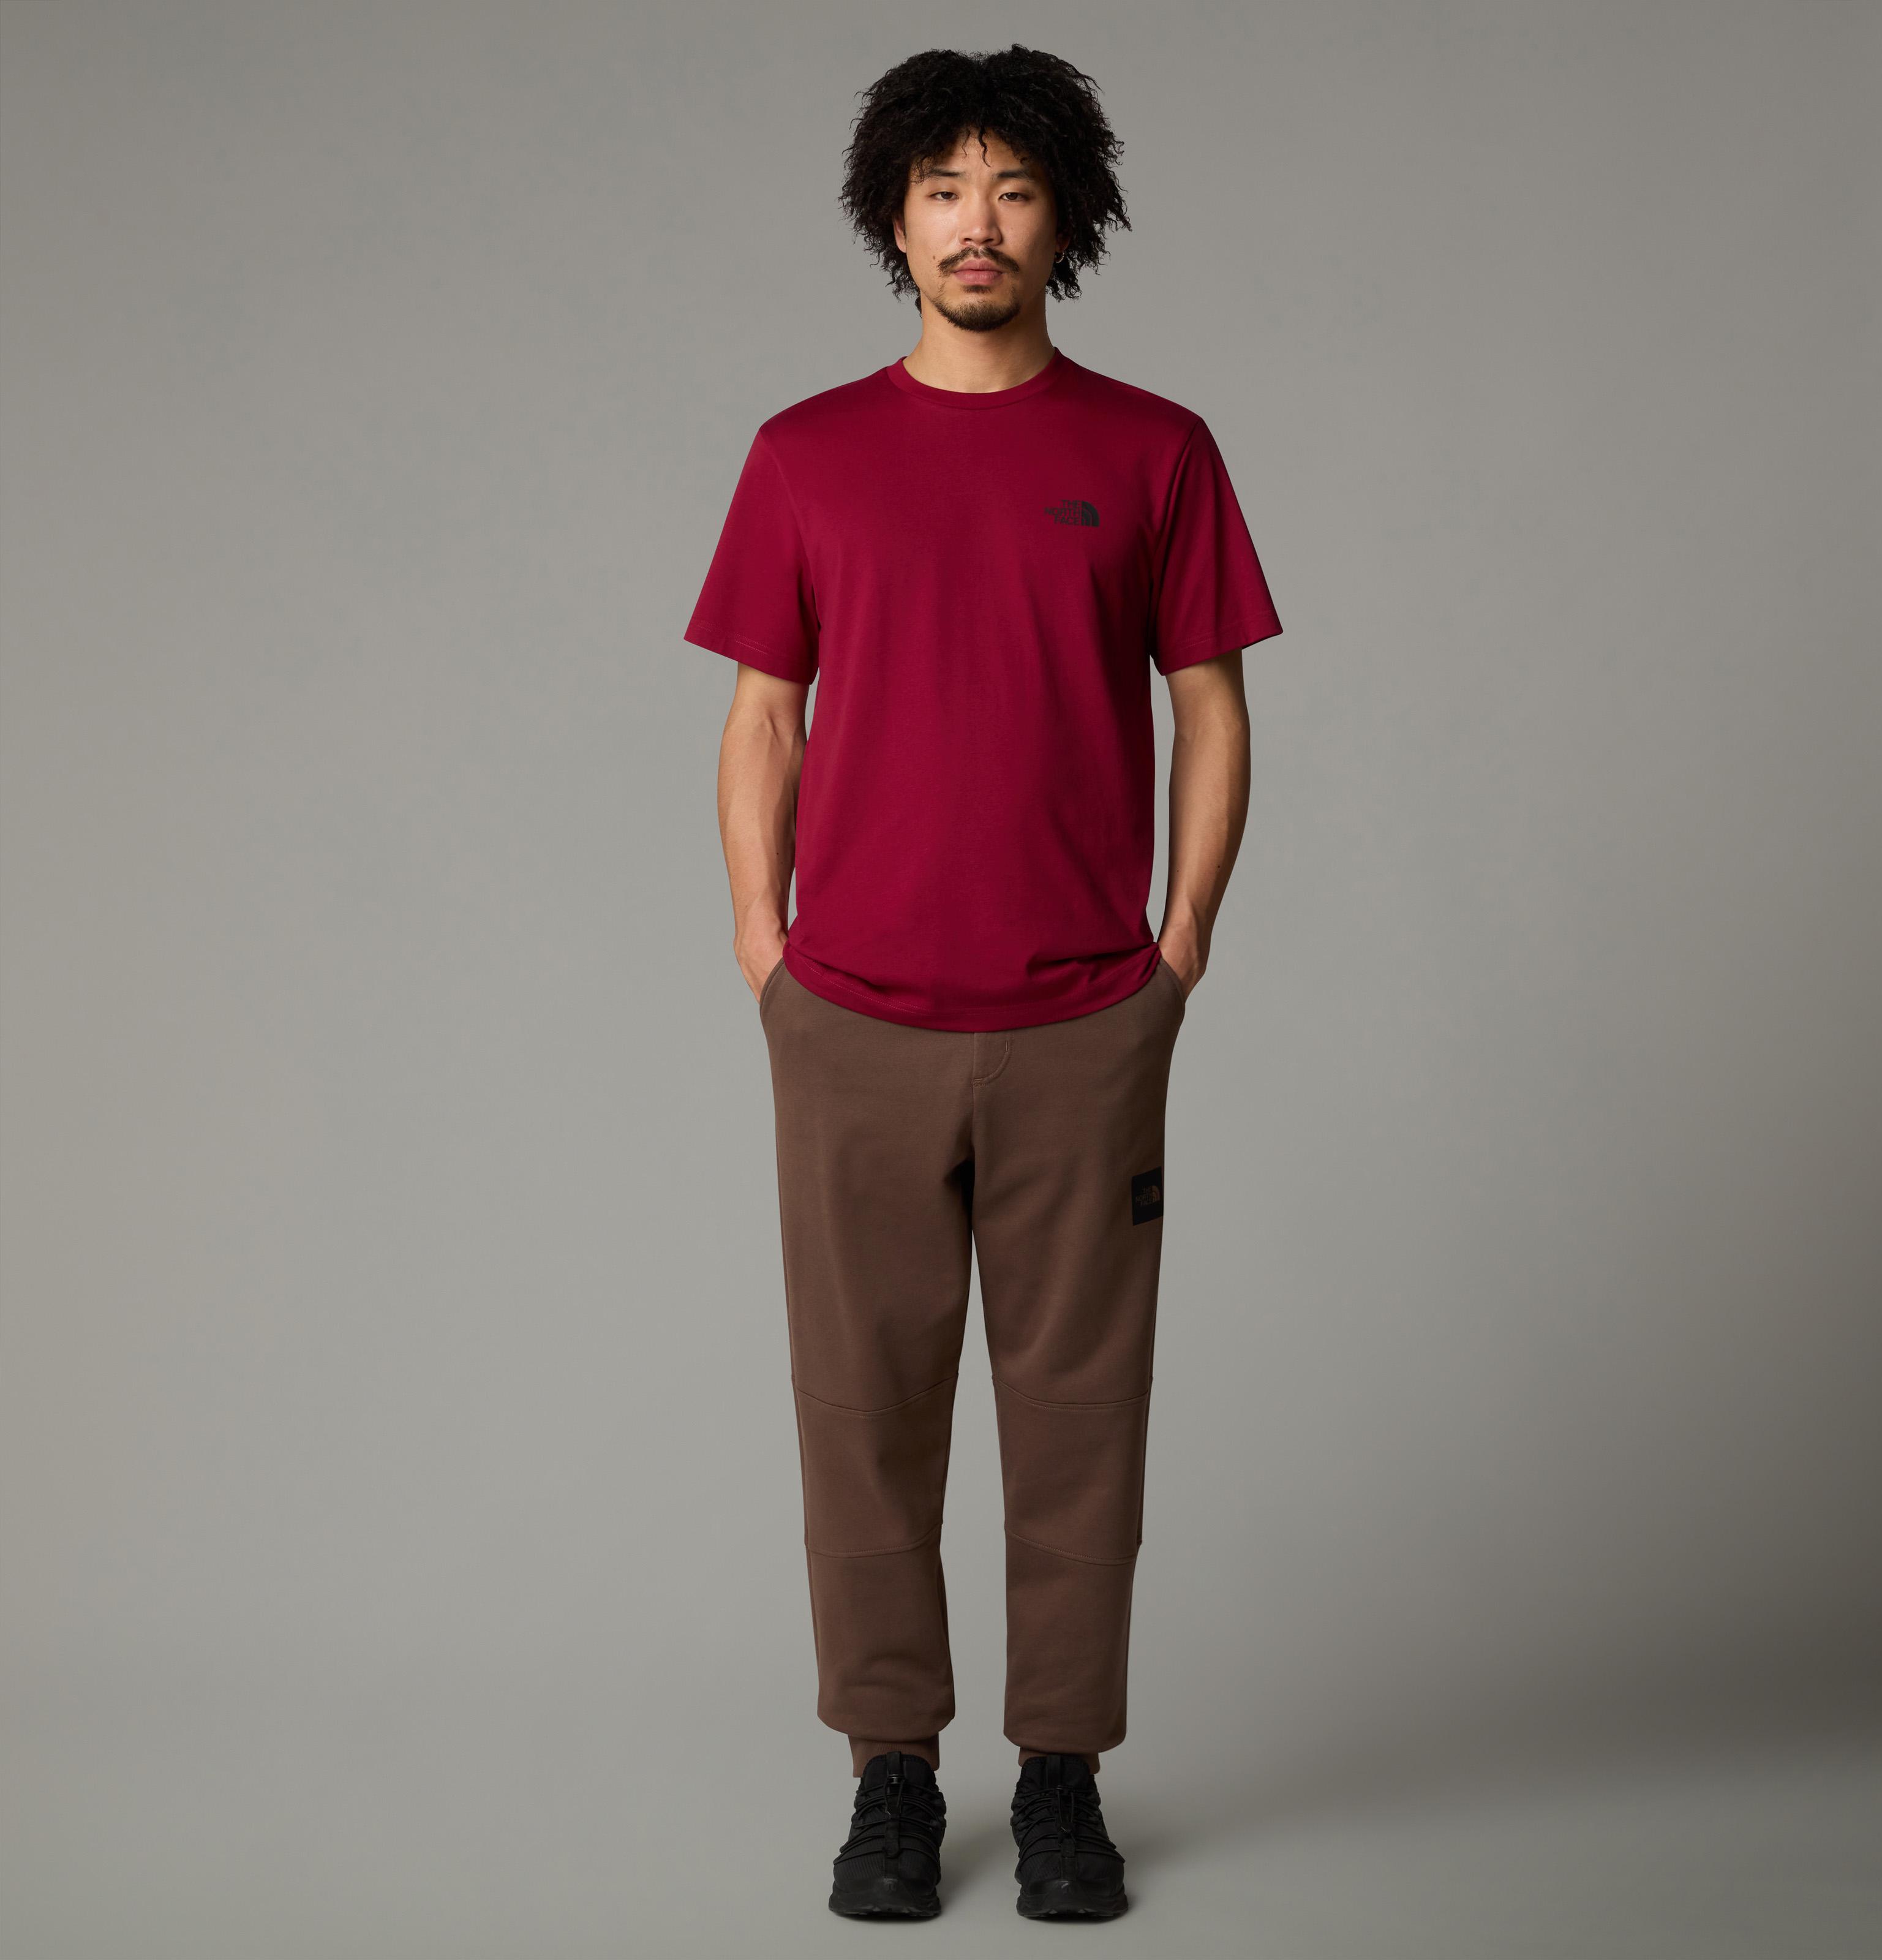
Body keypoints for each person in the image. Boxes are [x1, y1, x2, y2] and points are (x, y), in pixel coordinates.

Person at [682, 43, 1282, 1923]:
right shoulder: (806, 455)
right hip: (851, 1023)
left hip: (1084, 1026)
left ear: (1063, 218)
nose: (977, 224)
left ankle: (1063, 1781)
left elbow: (1211, 706)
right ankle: (890, 1773)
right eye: (944, 189)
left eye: (1013, 190)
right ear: (895, 216)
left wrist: (1179, 947)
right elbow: (762, 715)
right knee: (861, 1414)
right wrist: (765, 946)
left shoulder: (1153, 451)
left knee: (1080, 1419)